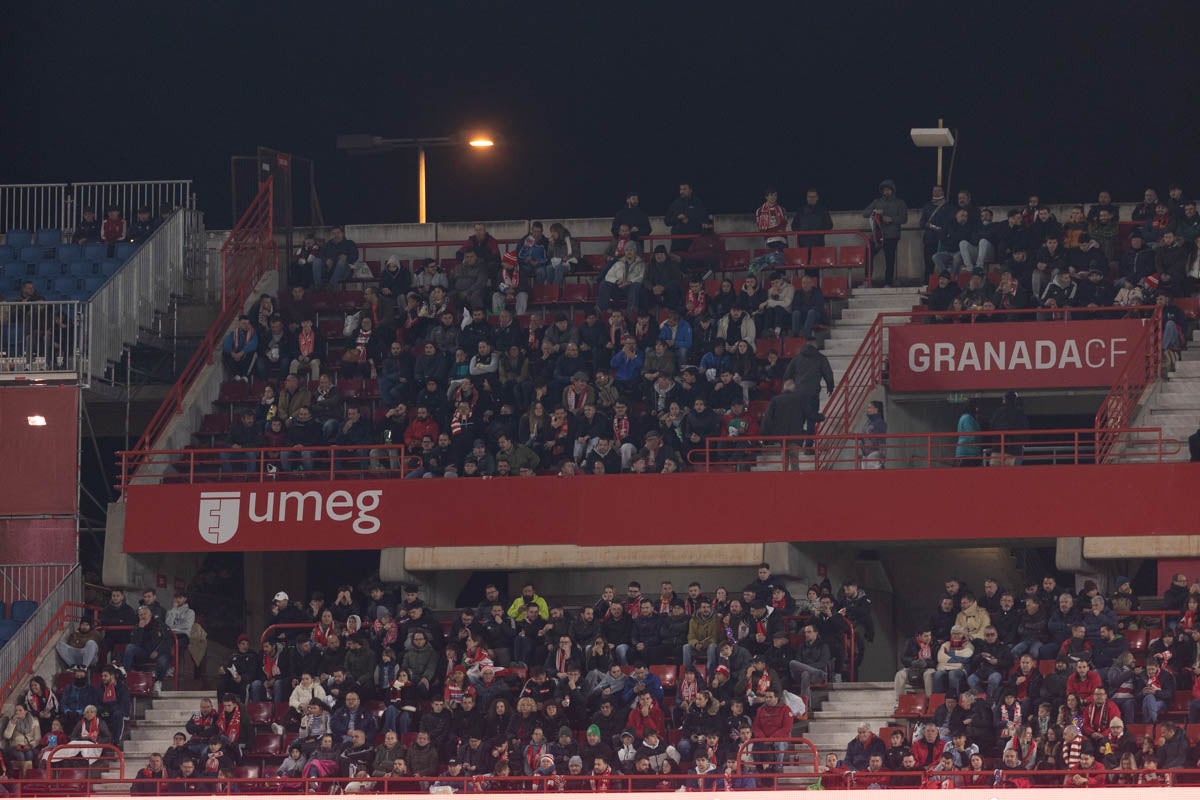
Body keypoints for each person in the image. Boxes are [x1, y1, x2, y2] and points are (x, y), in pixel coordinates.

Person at [862, 179, 909, 286]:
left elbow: (904, 219)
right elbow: (864, 213)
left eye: (888, 189)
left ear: (893, 190)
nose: (886, 192)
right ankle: (867, 280)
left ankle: (888, 282)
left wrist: (892, 219)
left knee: (890, 259)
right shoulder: (877, 202)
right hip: (877, 235)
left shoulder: (900, 203)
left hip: (892, 236)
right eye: (884, 190)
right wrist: (874, 211)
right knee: (868, 253)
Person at [665, 183, 708, 253]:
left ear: (690, 190)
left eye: (684, 189)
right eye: (680, 189)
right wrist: (678, 218)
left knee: (694, 263)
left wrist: (689, 220)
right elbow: (667, 221)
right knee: (678, 262)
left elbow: (704, 219)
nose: (681, 192)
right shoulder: (675, 203)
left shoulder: (697, 202)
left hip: (694, 242)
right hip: (678, 243)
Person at [221, 315, 258, 381]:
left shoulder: (253, 333)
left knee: (253, 353)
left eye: (248, 323)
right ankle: (236, 375)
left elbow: (253, 344)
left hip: (246, 356)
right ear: (239, 324)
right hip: (236, 356)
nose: (246, 326)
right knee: (225, 353)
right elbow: (226, 344)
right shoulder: (234, 333)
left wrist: (242, 352)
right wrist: (233, 354)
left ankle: (245, 375)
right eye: (244, 323)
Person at [955, 400, 982, 467]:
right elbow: (972, 435)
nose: (977, 409)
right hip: (969, 453)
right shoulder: (968, 418)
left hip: (966, 452)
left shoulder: (964, 417)